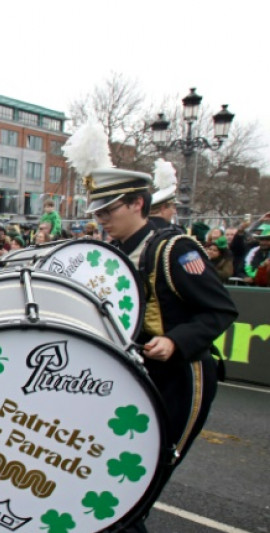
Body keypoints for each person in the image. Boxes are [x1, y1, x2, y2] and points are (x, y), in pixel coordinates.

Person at [83, 168, 237, 529]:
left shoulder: (175, 249)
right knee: (103, 479)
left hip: (179, 377)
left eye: (109, 210)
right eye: (98, 213)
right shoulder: (111, 252)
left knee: (140, 483)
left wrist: (175, 340)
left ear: (138, 203)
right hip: (132, 376)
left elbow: (220, 309)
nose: (102, 220)